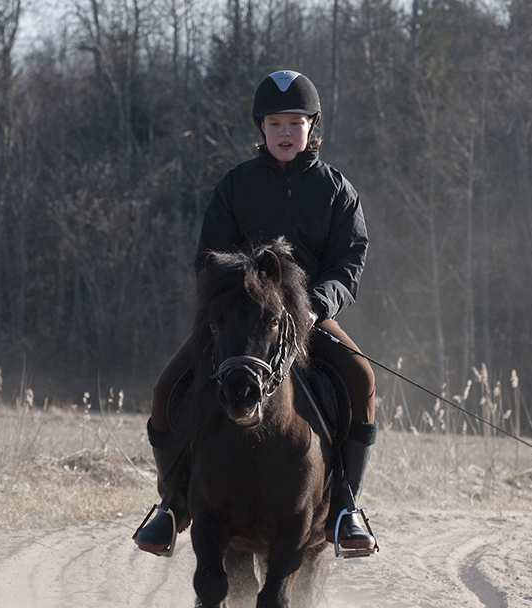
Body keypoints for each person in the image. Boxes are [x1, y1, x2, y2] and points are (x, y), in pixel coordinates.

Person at [135, 70, 378, 555]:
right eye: (275, 123)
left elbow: (350, 259)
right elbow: (209, 257)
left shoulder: (336, 190)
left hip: (308, 317)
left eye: (295, 122)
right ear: (261, 129)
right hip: (236, 322)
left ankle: (347, 505)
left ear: (312, 126)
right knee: (165, 391)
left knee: (362, 379)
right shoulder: (235, 186)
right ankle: (170, 504)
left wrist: (316, 305)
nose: (285, 132)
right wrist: (233, 302)